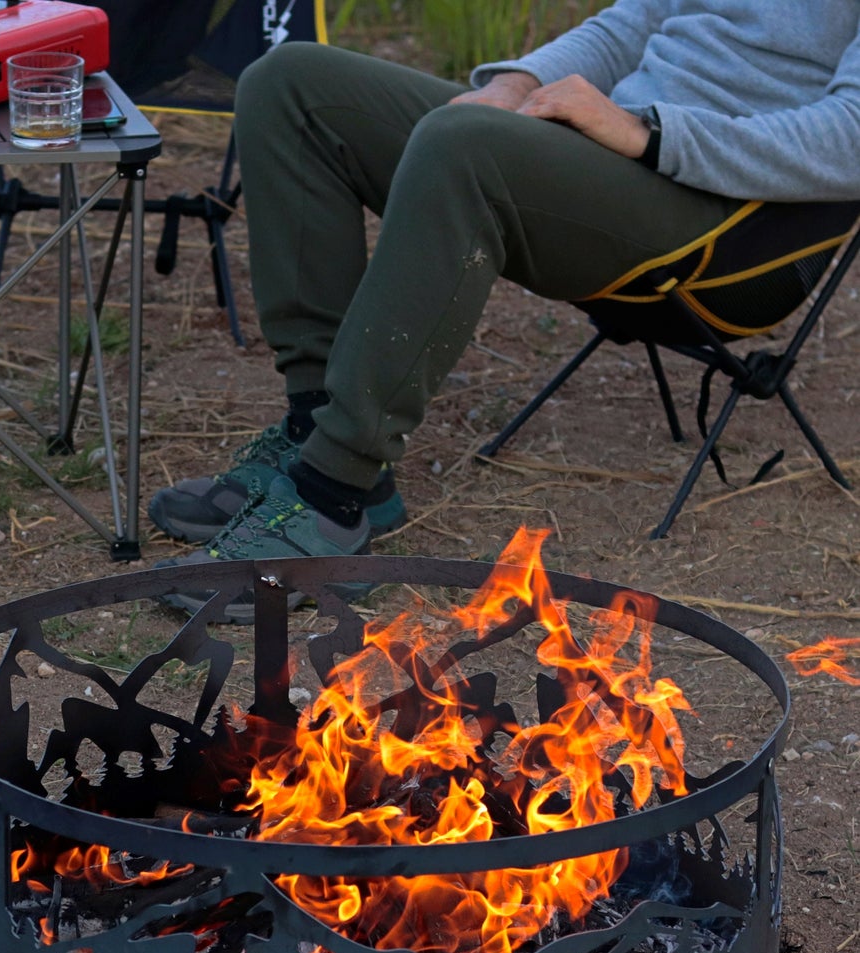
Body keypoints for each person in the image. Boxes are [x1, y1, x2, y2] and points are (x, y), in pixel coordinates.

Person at [150, 1, 860, 618]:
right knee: (290, 83)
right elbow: (634, 22)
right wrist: (516, 85)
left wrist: (649, 133)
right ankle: (315, 431)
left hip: (726, 228)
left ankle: (332, 489)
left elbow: (851, 136)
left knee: (461, 148)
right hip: (620, 159)